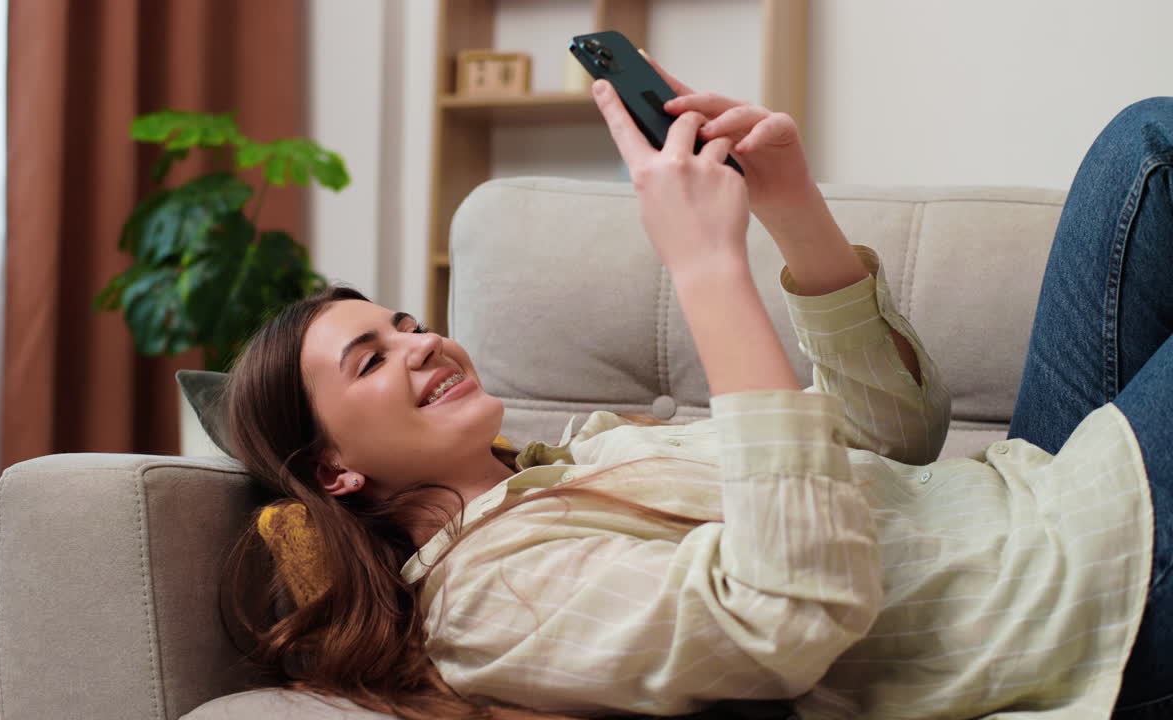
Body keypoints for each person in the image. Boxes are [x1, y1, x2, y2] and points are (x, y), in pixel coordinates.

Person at [220, 60, 1173, 720]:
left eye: (406, 324)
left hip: (1020, 486)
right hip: (1075, 592)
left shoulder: (588, 452)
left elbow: (901, 436)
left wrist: (790, 207)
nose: (422, 344)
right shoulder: (491, 602)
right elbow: (790, 612)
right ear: (334, 470)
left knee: (1145, 144)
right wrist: (705, 269)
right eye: (371, 361)